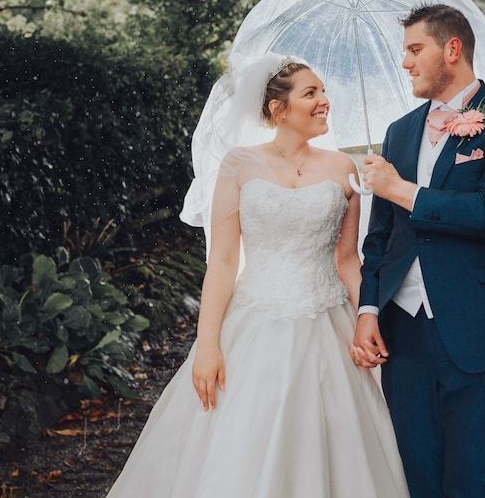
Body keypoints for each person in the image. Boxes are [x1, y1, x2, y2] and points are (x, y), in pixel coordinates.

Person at [106, 55, 408, 497]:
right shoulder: (239, 164)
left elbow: (347, 259)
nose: (325, 101)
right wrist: (207, 345)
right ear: (277, 109)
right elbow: (224, 263)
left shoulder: (344, 168)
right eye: (311, 93)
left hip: (328, 326)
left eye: (324, 91)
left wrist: (369, 318)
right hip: (253, 326)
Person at [352, 3, 485, 497]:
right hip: (405, 332)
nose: (406, 62)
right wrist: (369, 307)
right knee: (415, 475)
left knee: (483, 477)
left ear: (452, 49)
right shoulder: (398, 132)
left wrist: (401, 190)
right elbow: (381, 237)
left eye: (416, 49)